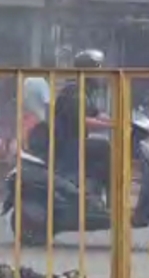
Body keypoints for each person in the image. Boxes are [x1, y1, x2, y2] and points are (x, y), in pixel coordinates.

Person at [45, 49, 113, 193]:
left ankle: (96, 191)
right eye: (99, 69)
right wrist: (114, 126)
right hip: (67, 146)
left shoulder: (85, 91)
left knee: (103, 152)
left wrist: (119, 120)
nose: (102, 75)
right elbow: (82, 120)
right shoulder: (74, 92)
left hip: (76, 143)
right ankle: (110, 201)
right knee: (104, 147)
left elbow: (97, 114)